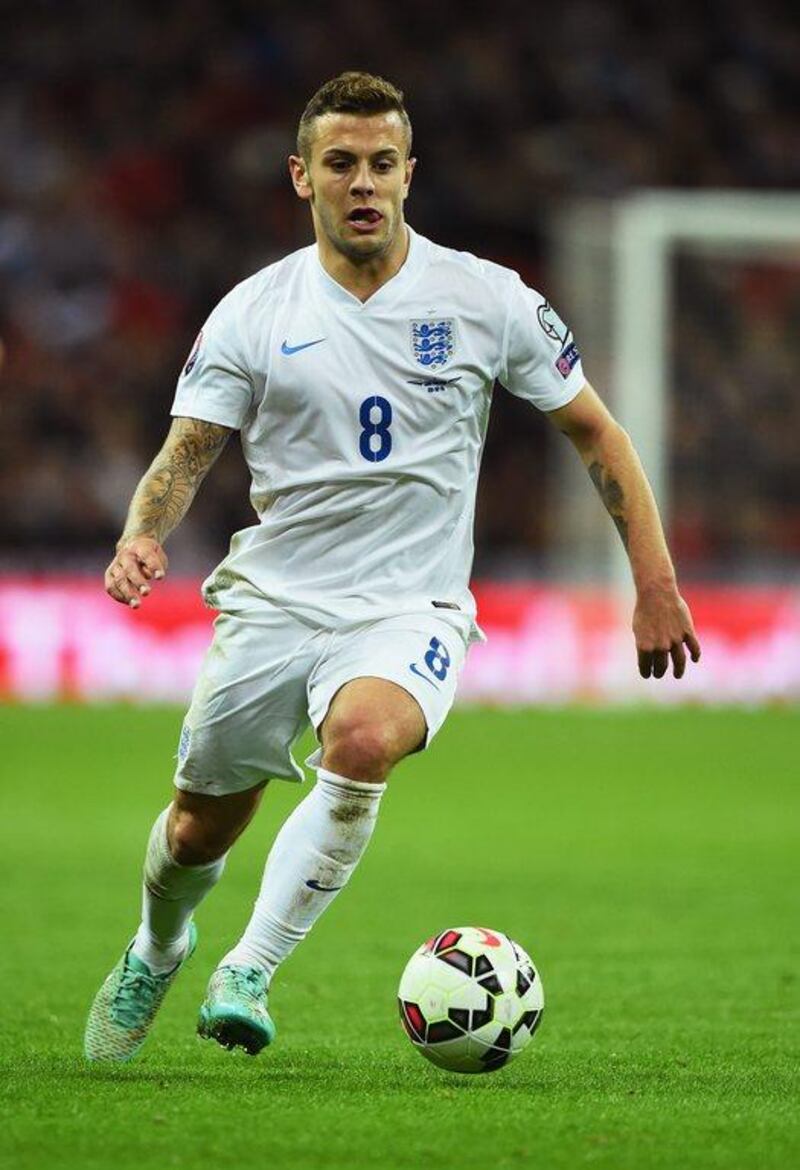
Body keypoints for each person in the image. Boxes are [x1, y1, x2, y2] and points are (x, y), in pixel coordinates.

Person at [84, 71, 701, 1063]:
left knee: (364, 742)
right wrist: (141, 533)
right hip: (275, 601)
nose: (362, 181)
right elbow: (187, 452)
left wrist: (654, 581)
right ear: (301, 177)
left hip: (408, 605)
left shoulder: (485, 299)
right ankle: (160, 944)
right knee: (200, 830)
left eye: (381, 163)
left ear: (409, 173)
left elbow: (593, 430)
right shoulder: (253, 312)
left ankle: (249, 968)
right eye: (340, 163)